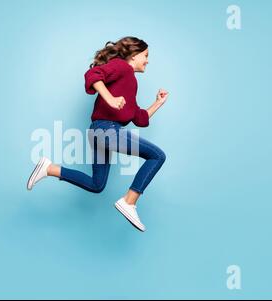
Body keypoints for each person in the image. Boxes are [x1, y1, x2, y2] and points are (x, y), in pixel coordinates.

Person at [27, 36, 169, 232]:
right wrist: (109, 98)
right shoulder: (121, 67)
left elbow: (138, 116)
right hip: (106, 130)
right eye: (145, 55)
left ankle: (49, 168)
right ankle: (129, 201)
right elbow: (93, 74)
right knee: (158, 156)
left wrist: (158, 103)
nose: (148, 60)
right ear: (134, 55)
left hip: (99, 132)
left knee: (96, 185)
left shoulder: (130, 81)